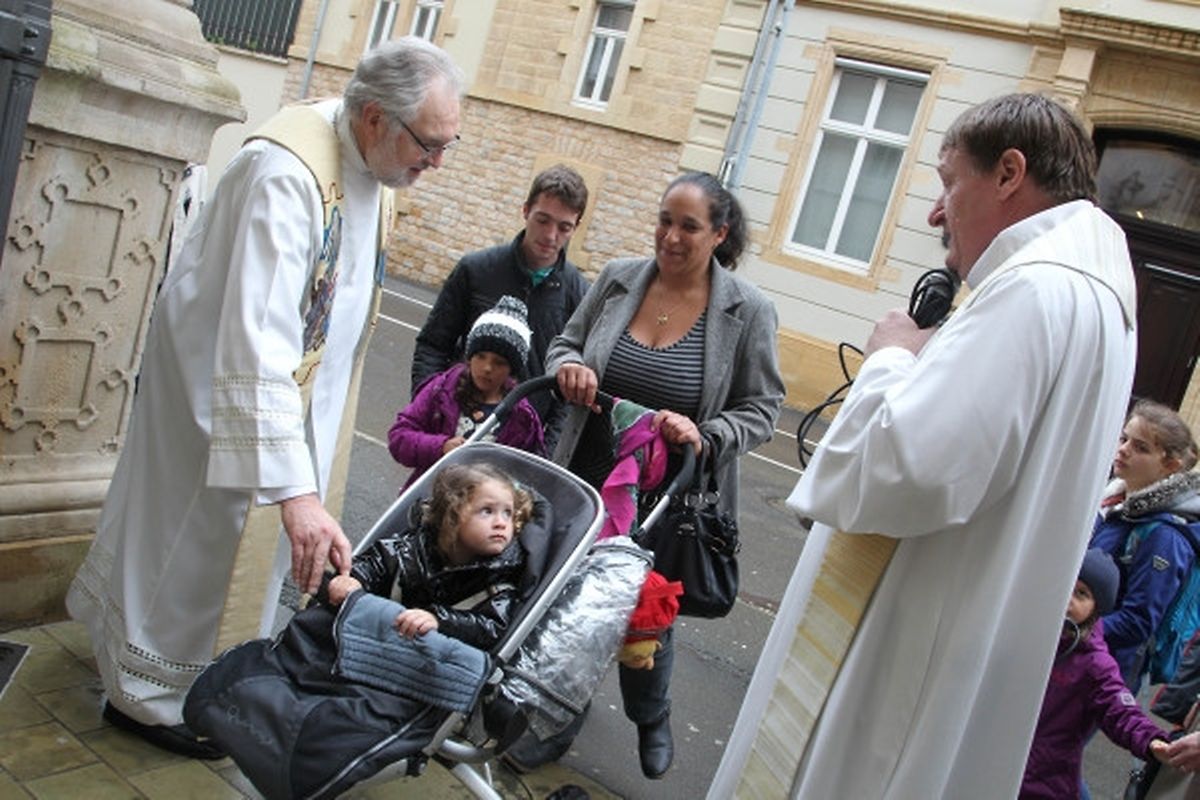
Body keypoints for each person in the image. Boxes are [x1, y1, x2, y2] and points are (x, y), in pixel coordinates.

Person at [710, 93, 1139, 798]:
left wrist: (890, 357)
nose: (937, 213)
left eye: (948, 182)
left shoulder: (1033, 292)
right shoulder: (1098, 295)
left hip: (904, 652)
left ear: (1009, 173)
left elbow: (904, 471)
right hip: (966, 639)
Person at [65, 37, 465, 758]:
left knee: (249, 559)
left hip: (293, 401)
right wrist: (295, 490)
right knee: (193, 552)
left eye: (446, 146)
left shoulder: (372, 160)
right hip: (220, 402)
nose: (436, 164)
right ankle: (148, 700)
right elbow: (256, 338)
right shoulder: (285, 175)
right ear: (375, 117)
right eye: (428, 145)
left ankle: (215, 683)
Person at [547, 171, 785, 779]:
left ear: (720, 234)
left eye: (689, 227)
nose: (671, 237)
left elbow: (762, 409)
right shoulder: (618, 278)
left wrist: (707, 435)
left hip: (670, 498)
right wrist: (570, 366)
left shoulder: (748, 310)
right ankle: (560, 709)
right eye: (664, 221)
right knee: (569, 599)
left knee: (645, 612)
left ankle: (650, 715)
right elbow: (564, 344)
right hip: (588, 478)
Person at [410, 163, 590, 445]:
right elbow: (433, 345)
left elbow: (569, 390)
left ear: (576, 227)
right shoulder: (475, 270)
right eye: (543, 220)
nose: (550, 235)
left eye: (564, 227)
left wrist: (545, 450)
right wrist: (430, 414)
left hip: (521, 444)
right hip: (454, 435)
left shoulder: (580, 296)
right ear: (526, 210)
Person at [326, 462, 532, 650]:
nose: (501, 523)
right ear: (452, 515)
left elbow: (491, 628)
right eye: (487, 511)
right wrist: (354, 579)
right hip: (373, 640)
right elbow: (374, 563)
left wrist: (440, 621)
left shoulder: (499, 583)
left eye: (508, 513)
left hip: (432, 663)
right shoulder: (409, 548)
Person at [1021, 549, 1169, 799]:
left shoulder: (1094, 664)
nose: (1069, 598)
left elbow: (1119, 709)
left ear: (1096, 609)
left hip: (1042, 784)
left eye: (1082, 594)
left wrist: (1151, 740)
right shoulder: (1027, 632)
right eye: (1067, 584)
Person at [1090, 399, 1200, 690]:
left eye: (1141, 447)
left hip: (1102, 673)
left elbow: (1137, 621)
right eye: (1124, 438)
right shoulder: (1112, 505)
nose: (1123, 449)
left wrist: (1071, 628)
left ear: (1170, 465)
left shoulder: (1165, 535)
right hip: (1074, 654)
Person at [388, 295, 545, 489]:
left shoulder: (522, 418)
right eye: (481, 356)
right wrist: (441, 447)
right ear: (469, 356)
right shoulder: (441, 389)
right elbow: (399, 438)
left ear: (512, 369)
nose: (487, 368)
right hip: (427, 498)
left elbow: (531, 478)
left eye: (499, 362)